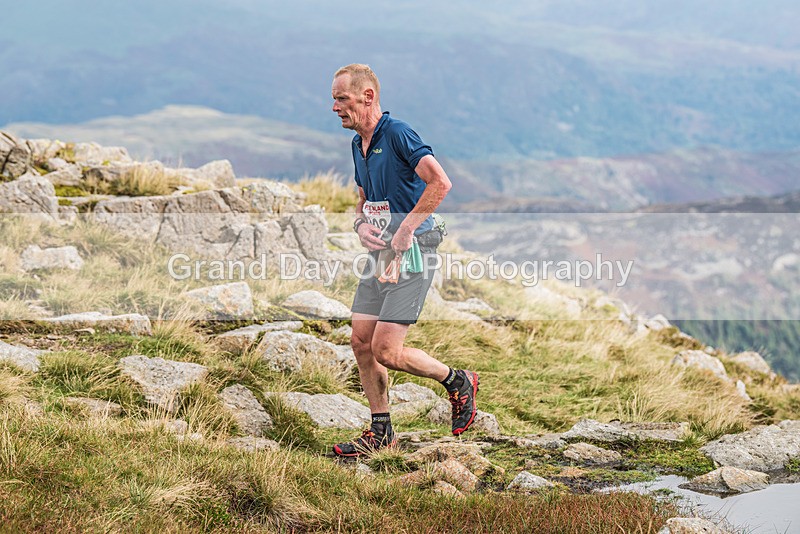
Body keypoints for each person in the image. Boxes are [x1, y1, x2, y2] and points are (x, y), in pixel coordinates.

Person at [330, 64, 479, 457]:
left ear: (367, 97)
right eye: (334, 99)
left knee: (387, 352)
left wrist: (406, 229)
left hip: (414, 253)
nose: (334, 107)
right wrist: (361, 225)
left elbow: (440, 183)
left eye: (341, 99)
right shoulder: (357, 144)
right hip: (381, 253)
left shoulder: (398, 134)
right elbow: (362, 198)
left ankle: (457, 380)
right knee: (360, 342)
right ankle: (382, 432)